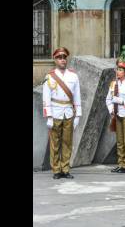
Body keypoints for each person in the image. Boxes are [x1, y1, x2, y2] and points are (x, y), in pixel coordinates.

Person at [43, 47, 82, 179]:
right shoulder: (50, 76)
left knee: (67, 142)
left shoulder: (73, 76)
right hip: (55, 112)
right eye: (60, 58)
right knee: (55, 143)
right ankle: (56, 170)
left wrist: (78, 115)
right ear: (55, 59)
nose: (62, 60)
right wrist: (48, 116)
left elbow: (77, 96)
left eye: (64, 57)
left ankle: (65, 169)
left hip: (69, 113)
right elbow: (46, 97)